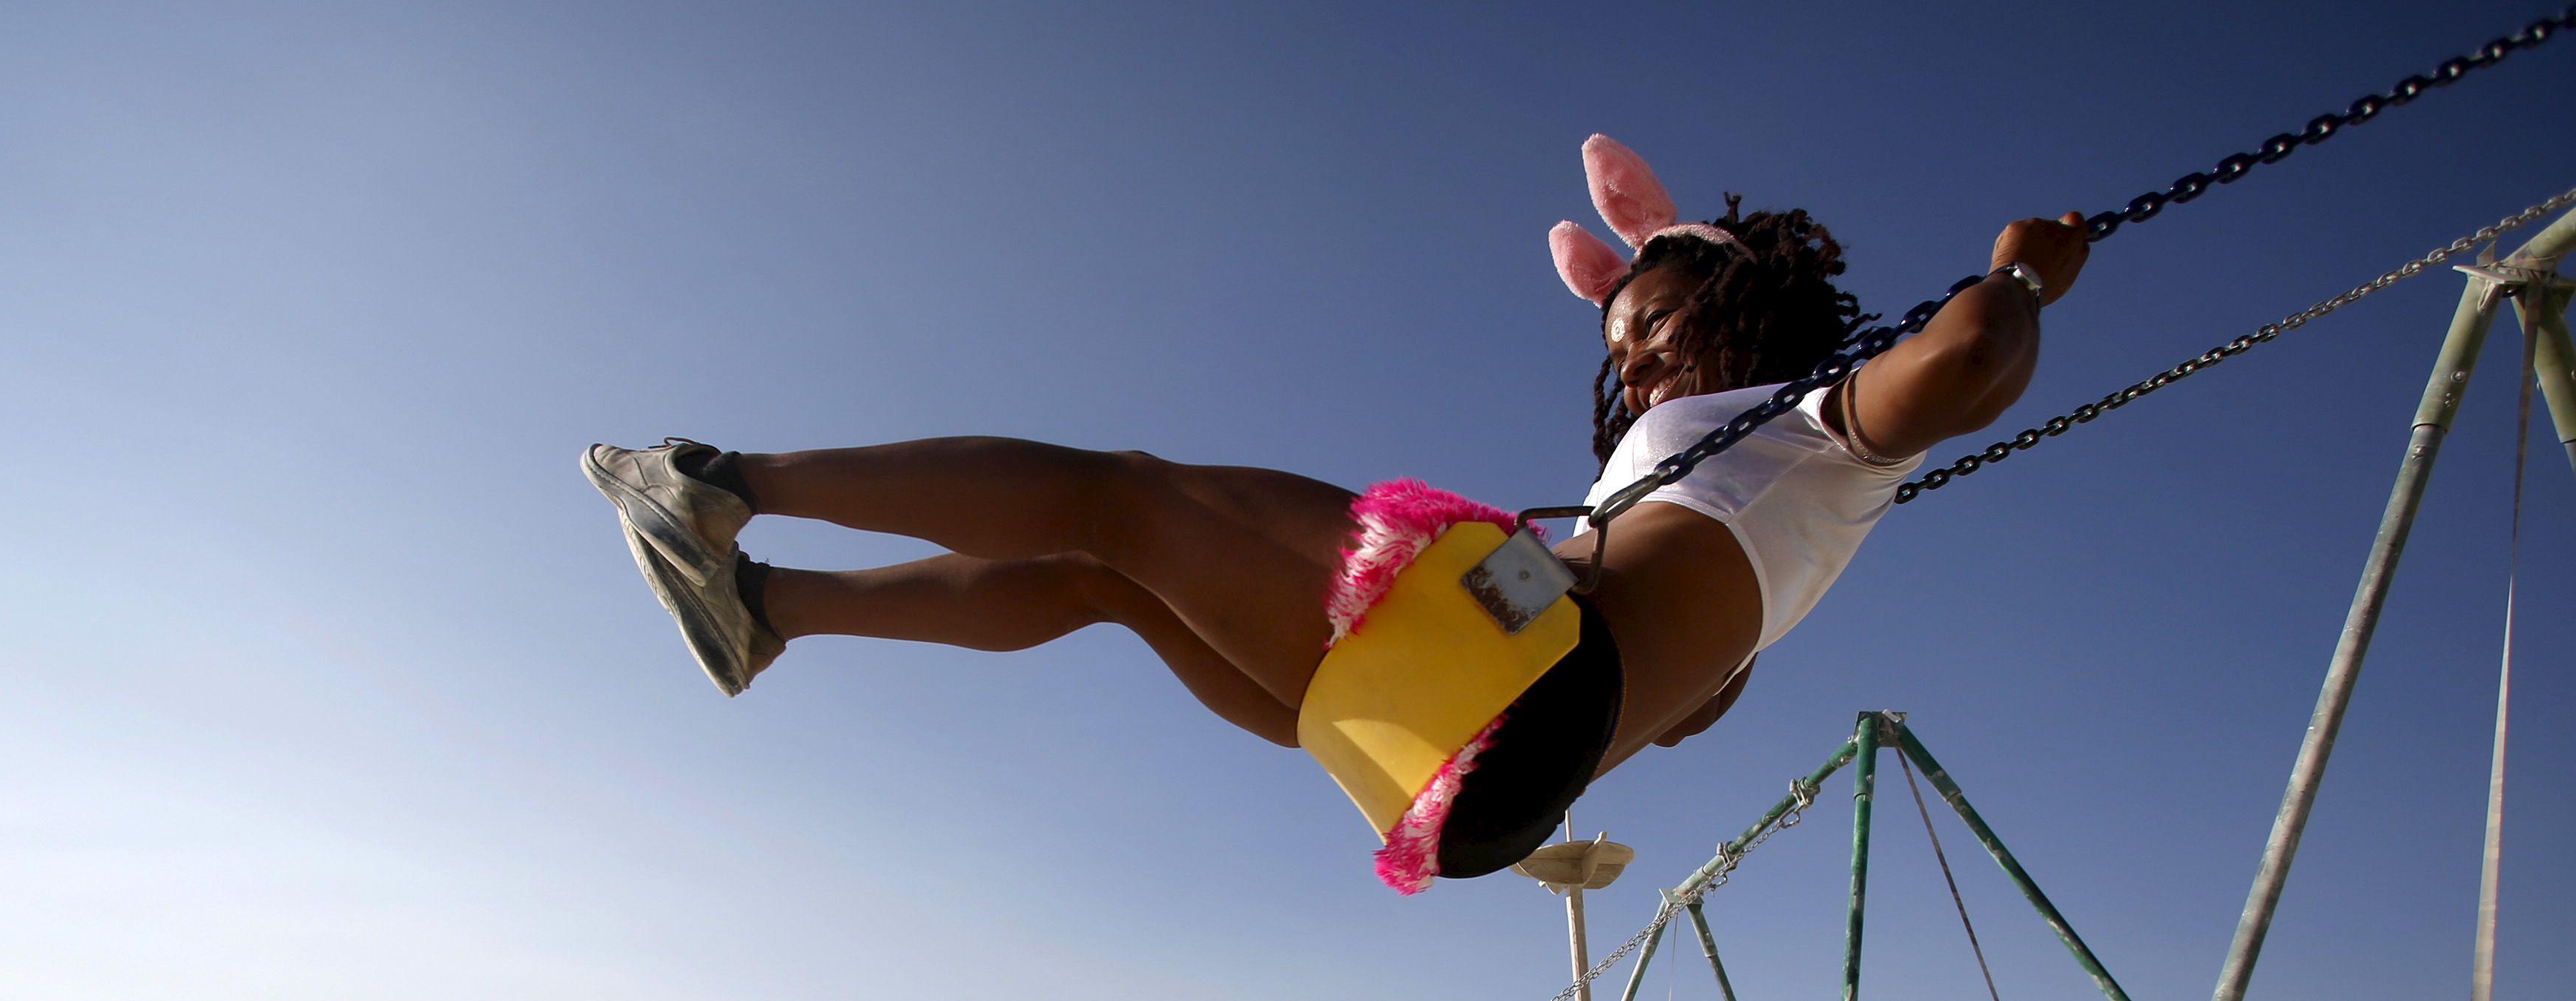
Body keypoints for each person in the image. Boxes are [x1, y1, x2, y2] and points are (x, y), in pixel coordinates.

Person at [584, 136, 2086, 891]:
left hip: (1507, 691)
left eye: (1654, 319)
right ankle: (769, 610)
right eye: (1618, 345)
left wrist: (2016, 278)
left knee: (1119, 496)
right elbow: (1693, 704)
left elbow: (1960, 363)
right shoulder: (1744, 488)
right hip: (1468, 775)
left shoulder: (1820, 427)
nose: (1630, 358)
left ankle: (722, 488)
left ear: (1745, 302)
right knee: (1109, 568)